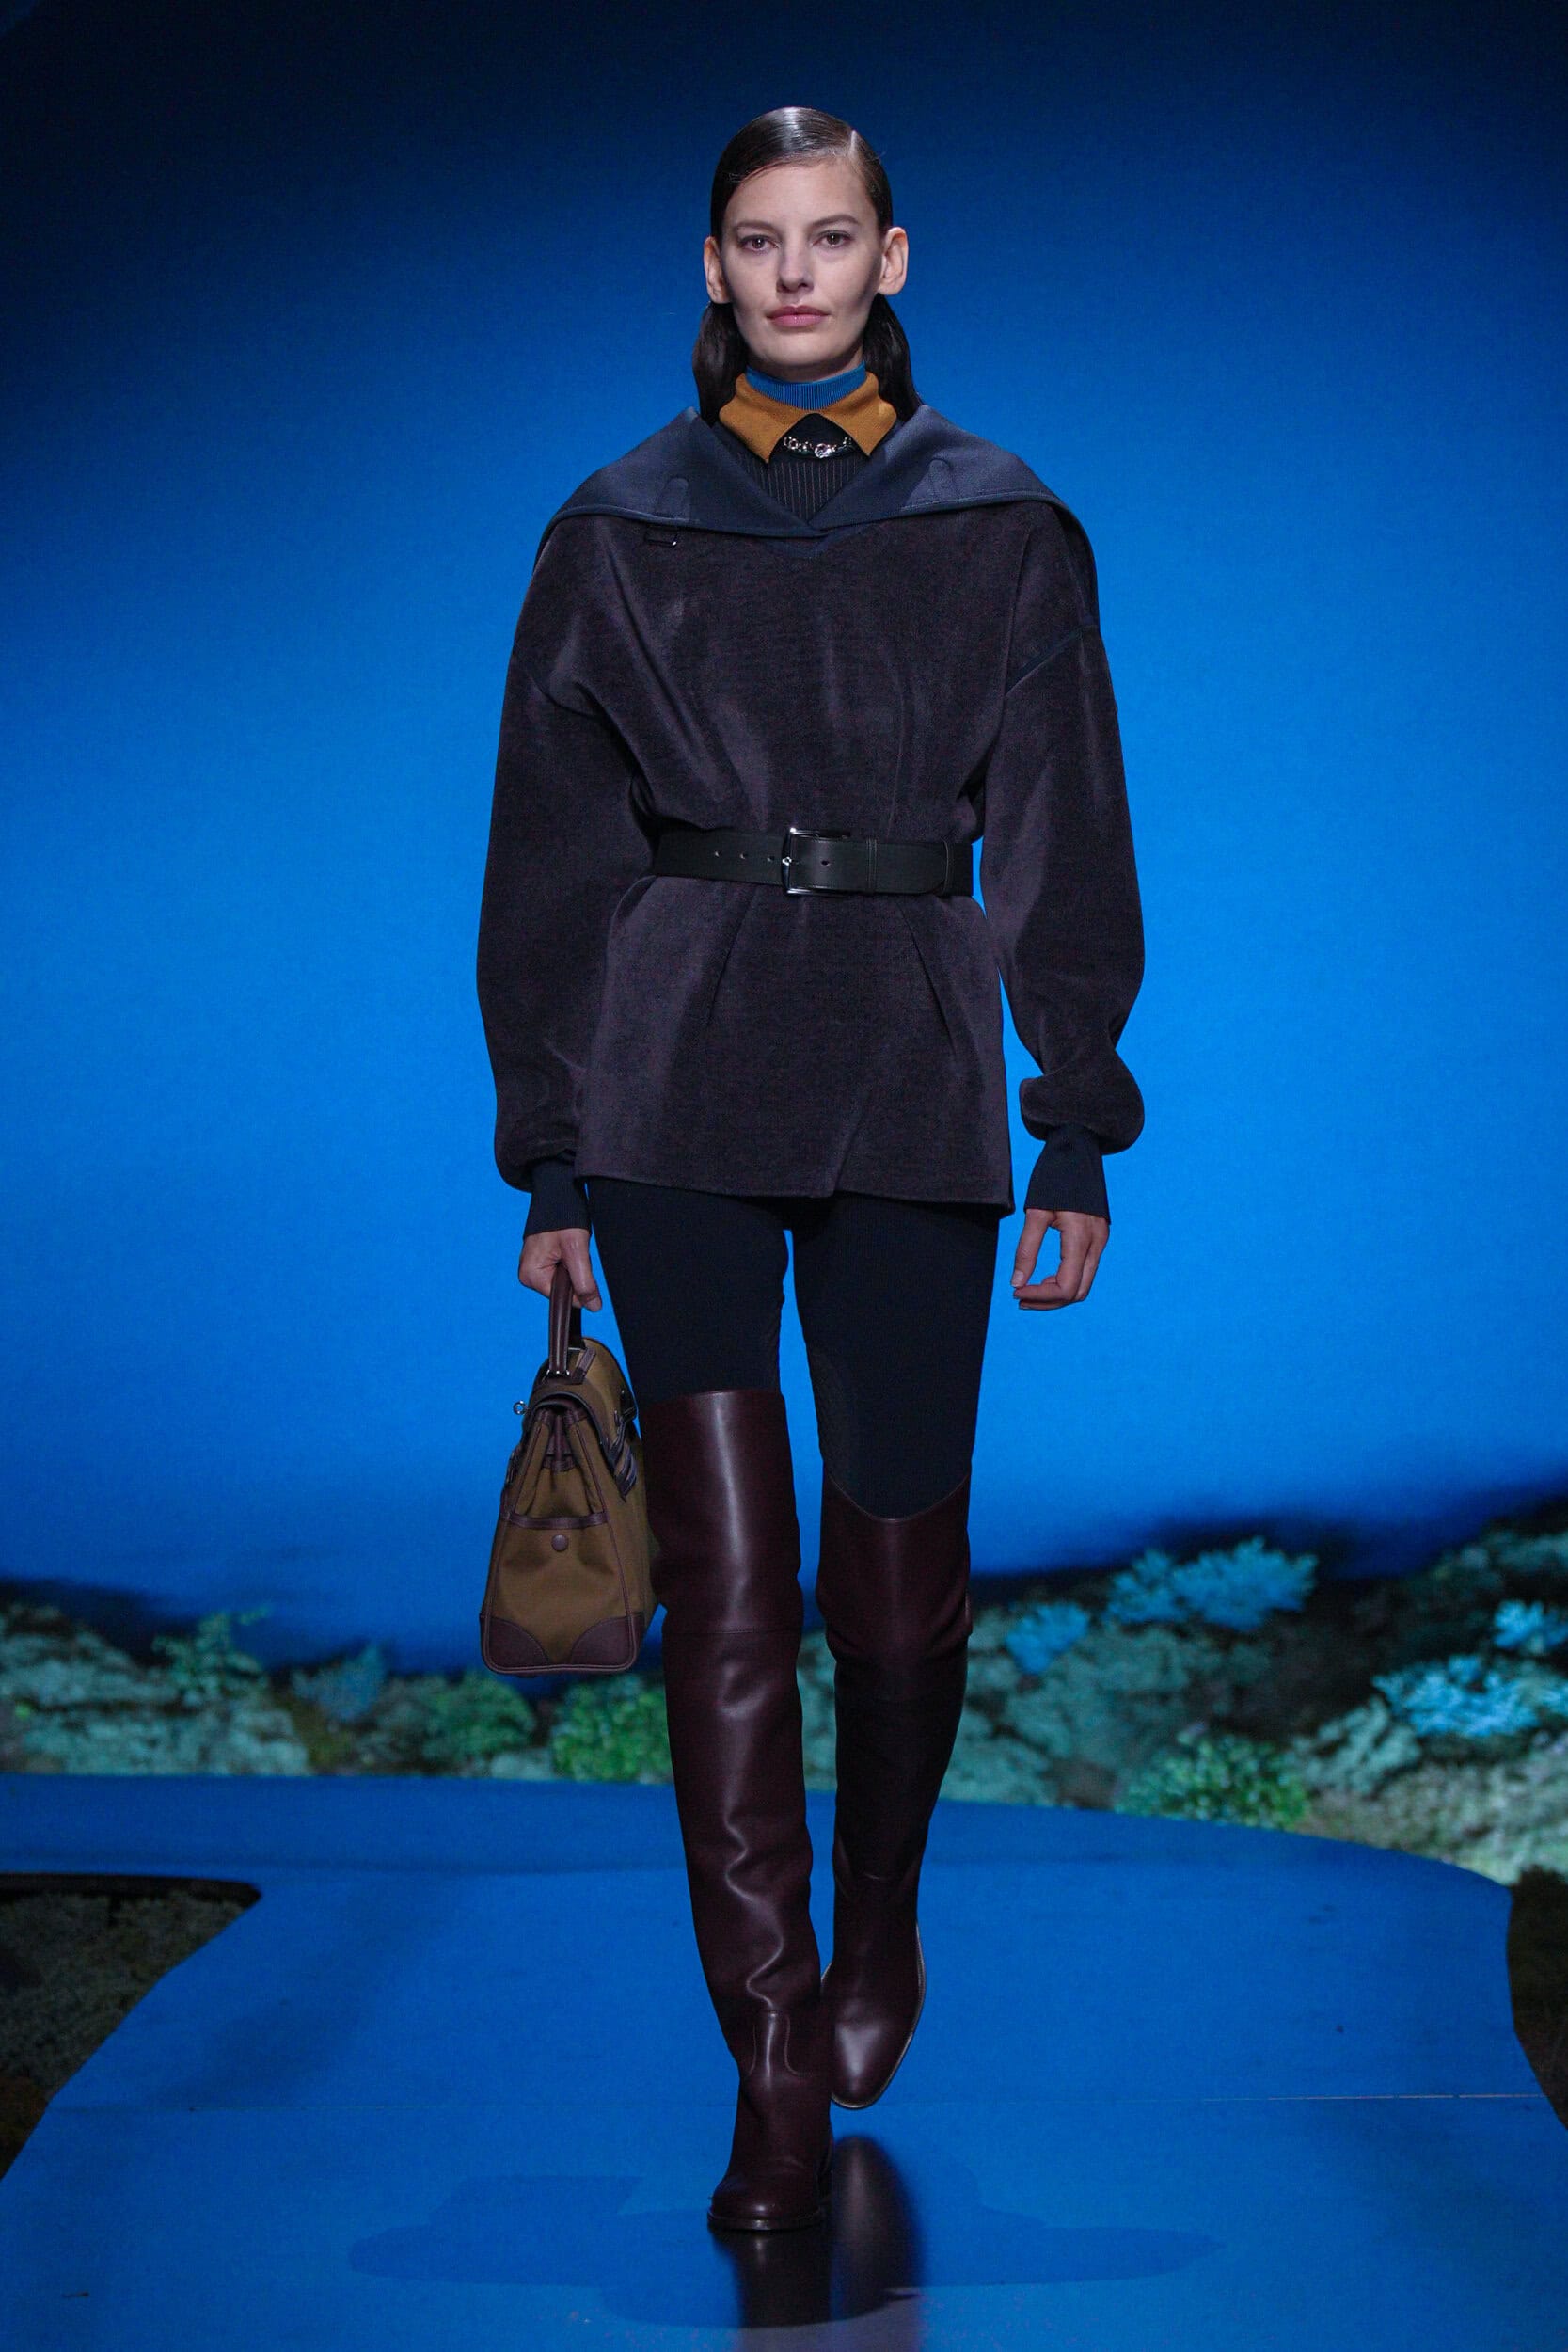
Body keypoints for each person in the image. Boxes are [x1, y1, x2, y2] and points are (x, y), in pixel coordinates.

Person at [476, 104, 1144, 2235]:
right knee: (728, 1588)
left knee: (896, 1584)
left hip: (913, 1065)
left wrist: (1076, 1117)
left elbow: (1064, 826)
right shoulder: (613, 528)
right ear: (713, 267)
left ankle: (884, 1916)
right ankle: (769, 2053)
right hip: (671, 1072)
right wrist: (550, 1151)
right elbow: (548, 858)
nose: (793, 274)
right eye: (759, 240)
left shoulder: (1003, 521)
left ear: (890, 256)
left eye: (830, 237)